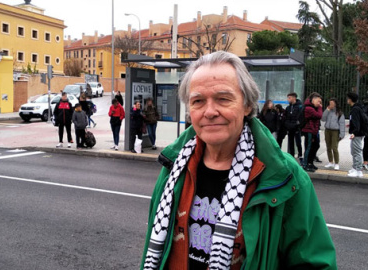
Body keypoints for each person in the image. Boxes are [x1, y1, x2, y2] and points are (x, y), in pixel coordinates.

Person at [141, 51, 336, 270]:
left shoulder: (285, 176)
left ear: (247, 105)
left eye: (223, 99)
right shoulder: (174, 165)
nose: (210, 111)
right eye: (198, 101)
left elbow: (314, 263)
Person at [301, 92, 323, 172]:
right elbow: (319, 115)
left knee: (315, 146)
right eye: (318, 101)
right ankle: (305, 164)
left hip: (313, 130)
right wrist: (320, 108)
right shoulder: (308, 108)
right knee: (308, 147)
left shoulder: (313, 108)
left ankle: (310, 163)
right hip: (309, 130)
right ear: (313, 100)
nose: (319, 104)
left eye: (320, 102)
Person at [321, 98, 345, 170]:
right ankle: (330, 162)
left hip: (335, 131)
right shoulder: (328, 111)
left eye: (332, 103)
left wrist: (341, 135)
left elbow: (342, 124)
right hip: (327, 130)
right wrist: (327, 109)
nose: (330, 105)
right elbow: (323, 118)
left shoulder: (339, 113)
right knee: (328, 147)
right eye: (329, 103)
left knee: (334, 147)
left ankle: (336, 163)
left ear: (335, 104)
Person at [347, 92, 365, 178]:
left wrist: (354, 132)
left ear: (350, 99)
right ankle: (355, 168)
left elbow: (357, 123)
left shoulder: (355, 109)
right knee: (354, 151)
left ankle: (358, 170)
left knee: (357, 152)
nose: (347, 100)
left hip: (357, 134)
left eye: (348, 98)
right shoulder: (357, 108)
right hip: (357, 133)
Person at [284, 92, 304, 163]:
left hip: (296, 128)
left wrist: (296, 125)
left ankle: (300, 156)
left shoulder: (300, 107)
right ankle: (291, 156)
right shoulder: (288, 108)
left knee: (298, 143)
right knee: (291, 143)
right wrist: (287, 125)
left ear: (294, 98)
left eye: (289, 98)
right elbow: (286, 118)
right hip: (290, 128)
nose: (288, 99)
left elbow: (301, 118)